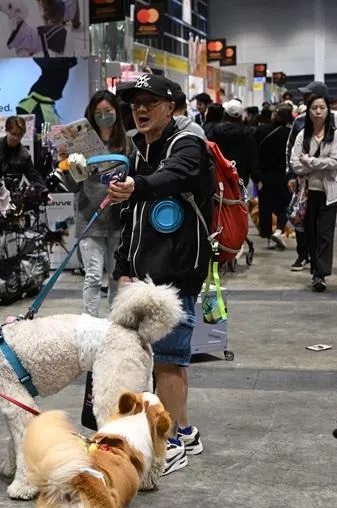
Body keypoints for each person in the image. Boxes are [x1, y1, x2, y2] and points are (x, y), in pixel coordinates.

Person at [110, 74, 213, 475]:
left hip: (177, 271)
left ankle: (167, 445)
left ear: (170, 107)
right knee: (157, 358)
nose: (140, 108)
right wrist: (122, 268)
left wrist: (136, 184)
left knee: (168, 359)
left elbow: (173, 177)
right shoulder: (140, 148)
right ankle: (183, 429)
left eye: (150, 101)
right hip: (142, 275)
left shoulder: (188, 142)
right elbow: (132, 220)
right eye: (135, 102)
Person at [63, 91, 130, 316]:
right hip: (89, 219)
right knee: (92, 276)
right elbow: (73, 186)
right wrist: (69, 165)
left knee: (115, 276)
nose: (103, 117)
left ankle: (116, 324)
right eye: (98, 113)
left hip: (119, 220)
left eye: (108, 112)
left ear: (117, 113)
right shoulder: (80, 145)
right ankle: (89, 324)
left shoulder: (127, 143)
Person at [289, 94, 337, 292]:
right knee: (310, 233)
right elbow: (294, 163)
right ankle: (315, 269)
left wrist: (309, 162)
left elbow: (335, 162)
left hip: (331, 192)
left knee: (324, 233)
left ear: (328, 111)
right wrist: (311, 165)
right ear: (308, 111)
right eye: (314, 108)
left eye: (322, 108)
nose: (318, 111)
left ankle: (320, 274)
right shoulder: (302, 135)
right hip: (308, 193)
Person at [255, 104, 294, 250]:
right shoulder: (290, 134)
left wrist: (256, 175)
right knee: (286, 205)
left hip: (264, 174)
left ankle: (267, 236)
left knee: (265, 206)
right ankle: (278, 230)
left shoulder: (261, 131)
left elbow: (255, 153)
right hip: (283, 175)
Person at [208, 99, 261, 188]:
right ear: (240, 116)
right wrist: (257, 178)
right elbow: (252, 156)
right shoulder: (246, 133)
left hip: (219, 174)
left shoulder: (215, 131)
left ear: (225, 113)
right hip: (240, 176)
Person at [0, 116, 45, 186]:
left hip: (12, 192)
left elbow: (34, 177)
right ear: (6, 130)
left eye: (20, 135)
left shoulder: (24, 155)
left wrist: (44, 191)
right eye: (13, 134)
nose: (16, 138)